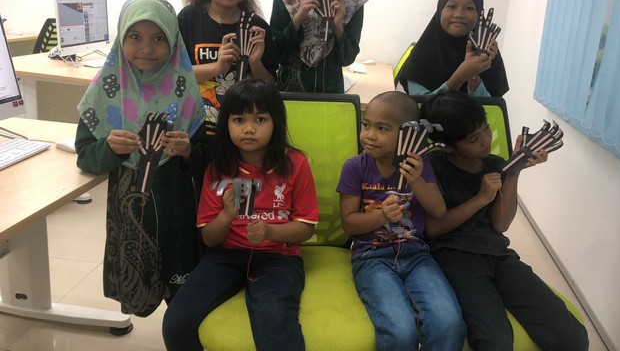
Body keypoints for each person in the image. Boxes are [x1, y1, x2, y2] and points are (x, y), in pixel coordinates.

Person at [422, 90, 589, 351]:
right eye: (474, 139)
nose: (486, 140)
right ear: (447, 146)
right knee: (495, 342)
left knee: (572, 337)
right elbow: (434, 229)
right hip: (454, 257)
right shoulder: (432, 167)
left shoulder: (495, 164)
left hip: (498, 254)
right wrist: (480, 198)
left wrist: (513, 171)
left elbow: (500, 225)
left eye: (486, 129)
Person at [162, 79, 319, 351]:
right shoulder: (219, 166)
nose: (248, 128)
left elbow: (306, 228)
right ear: (226, 124)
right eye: (238, 120)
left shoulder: (295, 163)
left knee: (275, 321)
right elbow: (210, 239)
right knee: (176, 322)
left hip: (278, 258)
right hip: (226, 256)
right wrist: (226, 215)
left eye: (260, 119)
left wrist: (270, 232)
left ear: (276, 122)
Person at [75, 0, 207, 317]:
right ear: (121, 37)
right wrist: (108, 148)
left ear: (173, 41)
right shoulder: (106, 90)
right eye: (135, 36)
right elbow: (86, 156)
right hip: (130, 220)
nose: (146, 48)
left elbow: (206, 158)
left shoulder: (185, 92)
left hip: (179, 217)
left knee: (185, 302)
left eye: (158, 38)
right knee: (139, 292)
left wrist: (188, 151)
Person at [337, 91, 466, 350]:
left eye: (382, 128)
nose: (369, 135)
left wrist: (417, 181)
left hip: (416, 254)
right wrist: (381, 216)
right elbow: (349, 223)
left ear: (408, 134)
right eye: (366, 124)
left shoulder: (419, 165)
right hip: (372, 257)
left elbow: (438, 210)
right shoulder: (355, 167)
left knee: (449, 323)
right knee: (400, 331)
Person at [179, 0, 278, 137]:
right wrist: (216, 67)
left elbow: (270, 87)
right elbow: (176, 76)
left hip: (243, 132)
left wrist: (255, 63)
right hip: (196, 128)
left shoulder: (257, 27)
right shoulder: (189, 18)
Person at [398, 0, 509, 97]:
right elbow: (421, 105)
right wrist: (460, 77)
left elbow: (494, 105)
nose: (459, 14)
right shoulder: (421, 54)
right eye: (452, 6)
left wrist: (474, 77)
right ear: (440, 10)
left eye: (469, 8)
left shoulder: (488, 54)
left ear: (479, 15)